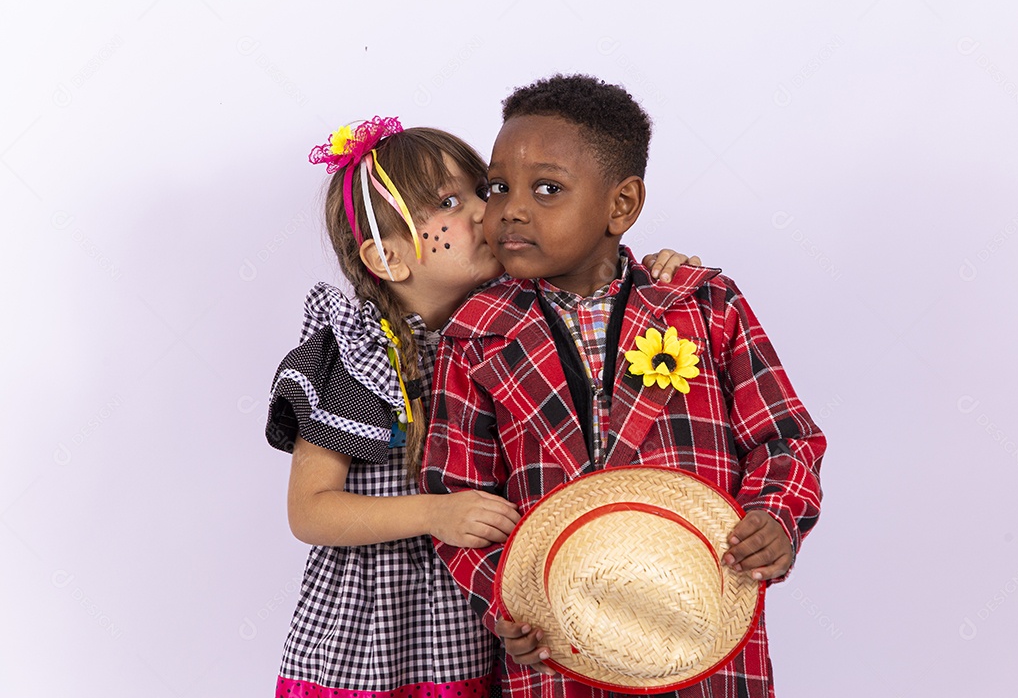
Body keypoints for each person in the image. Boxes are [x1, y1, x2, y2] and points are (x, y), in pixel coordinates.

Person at [265, 115, 701, 698]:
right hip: (382, 639)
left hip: (487, 625)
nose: (482, 212)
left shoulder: (512, 326)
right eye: (449, 201)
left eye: (483, 190)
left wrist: (650, 274)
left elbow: (593, 292)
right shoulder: (357, 354)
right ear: (388, 258)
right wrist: (434, 515)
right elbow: (309, 511)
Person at [422, 75, 826, 698]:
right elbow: (458, 495)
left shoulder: (702, 303)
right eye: (498, 187)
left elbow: (785, 437)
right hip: (558, 647)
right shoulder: (474, 335)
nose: (512, 210)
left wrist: (776, 516)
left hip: (700, 630)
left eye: (547, 189)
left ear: (622, 205)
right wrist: (506, 599)